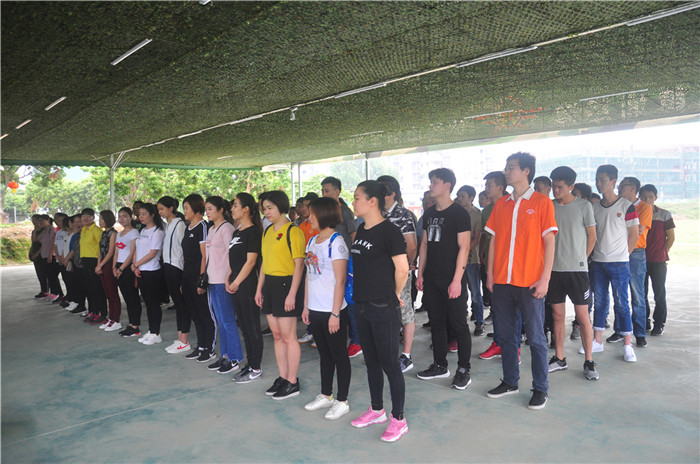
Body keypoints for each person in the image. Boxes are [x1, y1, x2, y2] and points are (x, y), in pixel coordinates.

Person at [485, 152, 557, 410]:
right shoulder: (501, 204)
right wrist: (490, 275)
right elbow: (493, 240)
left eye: (512, 167)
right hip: (503, 282)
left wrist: (545, 278)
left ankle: (541, 388)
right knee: (506, 336)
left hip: (530, 283)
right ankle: (510, 381)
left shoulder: (541, 203)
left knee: (536, 338)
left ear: (526, 171)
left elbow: (549, 241)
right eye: (506, 167)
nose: (507, 171)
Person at [349, 180, 409, 442]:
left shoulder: (390, 232)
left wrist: (394, 294)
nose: (353, 202)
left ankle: (399, 419)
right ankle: (376, 410)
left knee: (390, 365)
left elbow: (403, 269)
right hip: (361, 305)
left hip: (383, 307)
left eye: (357, 198)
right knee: (371, 362)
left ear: (372, 201)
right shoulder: (362, 229)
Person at [416, 168, 473, 391]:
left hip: (452, 279)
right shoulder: (429, 214)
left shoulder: (459, 214)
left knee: (458, 324)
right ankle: (440, 365)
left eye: (436, 182)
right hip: (432, 278)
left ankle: (464, 369)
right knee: (437, 323)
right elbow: (424, 245)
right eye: (431, 182)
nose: (431, 185)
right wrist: (420, 273)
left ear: (447, 185)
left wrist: (457, 280)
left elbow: (464, 247)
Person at [547, 167, 599, 380]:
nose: (555, 190)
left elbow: (592, 236)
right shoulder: (549, 206)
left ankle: (589, 361)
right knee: (557, 316)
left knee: (583, 317)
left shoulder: (584, 206)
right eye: (553, 186)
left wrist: (581, 259)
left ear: (571, 187)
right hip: (553, 271)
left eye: (560, 187)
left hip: (577, 271)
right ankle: (559, 358)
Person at [302, 197, 352, 420]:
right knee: (324, 354)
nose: (309, 217)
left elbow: (340, 281)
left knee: (339, 355)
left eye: (312, 213)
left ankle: (342, 400)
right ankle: (326, 394)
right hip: (315, 308)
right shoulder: (312, 241)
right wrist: (306, 305)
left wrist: (335, 313)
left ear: (323, 215)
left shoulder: (336, 242)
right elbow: (308, 275)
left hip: (332, 311)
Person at [255, 190, 306, 400]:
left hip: (287, 285)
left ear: (281, 207)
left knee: (288, 336)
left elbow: (299, 265)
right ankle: (283, 377)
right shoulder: (267, 231)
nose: (266, 212)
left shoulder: (293, 231)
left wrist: (292, 294)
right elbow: (264, 262)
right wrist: (259, 288)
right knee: (277, 336)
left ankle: (292, 381)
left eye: (270, 208)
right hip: (270, 285)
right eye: (264, 209)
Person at [589, 165, 639, 362]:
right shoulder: (594, 208)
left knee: (622, 303)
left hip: (619, 263)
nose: (599, 183)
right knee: (600, 302)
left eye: (603, 180)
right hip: (598, 262)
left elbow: (634, 234)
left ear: (613, 181)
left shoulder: (626, 206)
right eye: (597, 180)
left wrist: (624, 255)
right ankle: (597, 341)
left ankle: (627, 344)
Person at [377, 175, 418, 373]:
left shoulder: (402, 214)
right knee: (385, 312)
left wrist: (406, 266)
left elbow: (412, 245)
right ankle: (388, 352)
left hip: (399, 272)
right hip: (381, 272)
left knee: (404, 311)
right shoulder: (378, 214)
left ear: (392, 193)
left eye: (381, 192)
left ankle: (406, 356)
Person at [320, 177, 361, 359]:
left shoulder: (344, 211)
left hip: (346, 261)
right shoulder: (325, 211)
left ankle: (356, 340)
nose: (324, 194)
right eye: (323, 190)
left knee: (348, 300)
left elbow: (353, 235)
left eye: (327, 190)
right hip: (329, 262)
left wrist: (352, 259)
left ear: (337, 191)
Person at [203, 196, 244, 374]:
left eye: (210, 209)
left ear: (221, 210)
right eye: (206, 209)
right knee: (220, 321)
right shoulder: (211, 229)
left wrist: (230, 278)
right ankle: (225, 356)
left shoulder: (227, 229)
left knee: (227, 321)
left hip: (223, 281)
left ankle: (234, 358)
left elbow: (232, 256)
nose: (207, 212)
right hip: (212, 280)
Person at [227, 193, 264, 383]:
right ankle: (249, 364)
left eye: (235, 205)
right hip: (235, 283)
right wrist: (228, 278)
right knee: (245, 328)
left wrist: (236, 282)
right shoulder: (237, 232)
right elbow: (232, 260)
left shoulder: (254, 232)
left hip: (247, 285)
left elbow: (250, 262)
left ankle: (255, 367)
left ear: (246, 209)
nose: (232, 209)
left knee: (252, 327)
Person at [181, 194, 218, 362]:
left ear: (196, 209)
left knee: (204, 313)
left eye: (186, 208)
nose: (184, 211)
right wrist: (184, 279)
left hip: (198, 276)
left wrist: (201, 280)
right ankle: (201, 345)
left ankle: (209, 348)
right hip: (187, 276)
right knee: (195, 314)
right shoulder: (188, 227)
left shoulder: (203, 226)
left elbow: (204, 256)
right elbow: (186, 256)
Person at [617, 177, 653, 348]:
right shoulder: (619, 205)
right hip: (619, 252)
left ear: (633, 189)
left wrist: (623, 229)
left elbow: (638, 230)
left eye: (622, 186)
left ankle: (640, 333)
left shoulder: (644, 207)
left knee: (637, 295)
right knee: (619, 294)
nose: (619, 188)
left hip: (636, 254)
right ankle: (620, 330)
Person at [639, 184, 675, 336]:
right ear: (639, 197)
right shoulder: (636, 213)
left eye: (650, 197)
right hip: (640, 260)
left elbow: (671, 237)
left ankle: (659, 324)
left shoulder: (664, 214)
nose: (647, 199)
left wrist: (663, 251)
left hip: (658, 261)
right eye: (644, 197)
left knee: (659, 294)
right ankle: (644, 321)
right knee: (641, 294)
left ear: (656, 198)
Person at [157, 197, 190, 353]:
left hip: (177, 267)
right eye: (158, 209)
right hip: (168, 266)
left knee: (182, 305)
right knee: (177, 303)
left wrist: (184, 274)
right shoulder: (168, 225)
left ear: (171, 208)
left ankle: (184, 340)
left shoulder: (179, 224)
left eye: (162, 209)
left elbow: (184, 249)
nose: (160, 212)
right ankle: (180, 338)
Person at [132, 203, 166, 346]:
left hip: (152, 271)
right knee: (147, 303)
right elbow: (136, 248)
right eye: (139, 214)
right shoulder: (143, 230)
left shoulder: (158, 231)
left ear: (152, 215)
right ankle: (151, 331)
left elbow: (152, 253)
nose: (141, 217)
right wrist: (135, 265)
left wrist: (136, 264)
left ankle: (156, 333)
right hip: (141, 270)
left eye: (144, 214)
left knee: (154, 303)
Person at [455, 185, 485, 336]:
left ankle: (479, 321)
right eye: (459, 196)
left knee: (475, 292)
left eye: (463, 196)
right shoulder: (455, 213)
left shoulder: (477, 215)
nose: (460, 199)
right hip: (456, 259)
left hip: (471, 260)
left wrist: (464, 252)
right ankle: (460, 318)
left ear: (471, 198)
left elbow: (476, 238)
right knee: (459, 291)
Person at [113, 207, 142, 337]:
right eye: (120, 216)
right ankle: (131, 324)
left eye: (124, 216)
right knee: (126, 297)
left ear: (131, 217)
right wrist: (114, 267)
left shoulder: (134, 232)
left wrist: (121, 269)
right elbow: (116, 252)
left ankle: (135, 325)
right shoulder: (119, 234)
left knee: (132, 297)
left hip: (128, 267)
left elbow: (131, 253)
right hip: (119, 267)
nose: (122, 219)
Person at [80, 208, 108, 324]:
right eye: (83, 216)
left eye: (88, 216)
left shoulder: (96, 230)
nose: (85, 218)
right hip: (85, 260)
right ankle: (94, 311)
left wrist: (99, 264)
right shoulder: (83, 230)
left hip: (94, 261)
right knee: (90, 288)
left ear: (93, 218)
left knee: (97, 288)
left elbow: (102, 248)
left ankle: (102, 313)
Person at [95, 210, 121, 331]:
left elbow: (111, 252)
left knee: (113, 293)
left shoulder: (113, 233)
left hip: (109, 264)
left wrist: (101, 265)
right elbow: (100, 250)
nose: (100, 221)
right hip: (102, 264)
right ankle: (111, 319)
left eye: (101, 219)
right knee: (108, 294)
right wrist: (98, 264)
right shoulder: (104, 233)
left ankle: (116, 320)